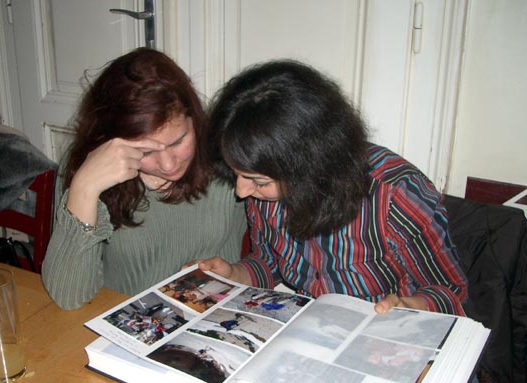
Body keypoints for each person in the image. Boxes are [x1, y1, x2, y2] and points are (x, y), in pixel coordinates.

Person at [197, 60, 468, 316]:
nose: (241, 192)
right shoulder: (263, 191)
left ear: (309, 167)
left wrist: (408, 306)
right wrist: (233, 275)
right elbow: (269, 262)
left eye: (259, 181)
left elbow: (450, 291)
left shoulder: (394, 194)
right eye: (237, 175)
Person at [42, 48, 246, 310]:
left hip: (213, 320)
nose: (169, 164)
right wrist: (84, 188)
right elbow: (68, 297)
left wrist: (238, 273)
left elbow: (269, 256)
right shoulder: (91, 169)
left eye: (178, 141)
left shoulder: (225, 153)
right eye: (145, 151)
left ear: (193, 119)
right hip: (125, 325)